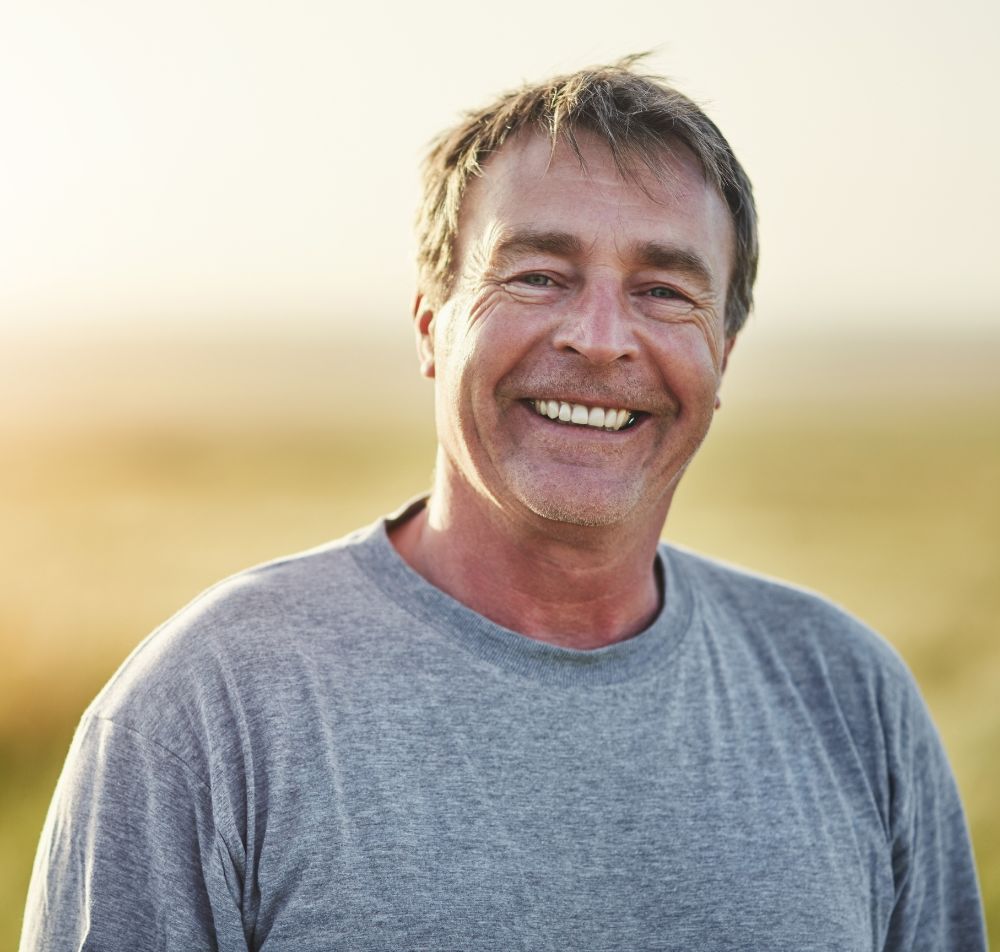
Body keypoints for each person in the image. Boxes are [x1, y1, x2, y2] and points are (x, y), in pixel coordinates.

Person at [21, 57, 986, 951]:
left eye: (664, 291)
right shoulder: (204, 714)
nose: (601, 340)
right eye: (537, 276)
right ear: (432, 322)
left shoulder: (851, 700)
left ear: (722, 356)